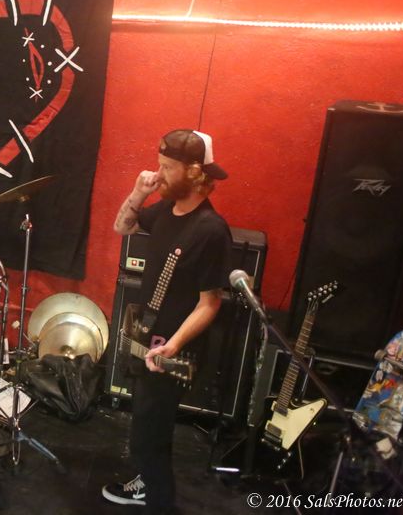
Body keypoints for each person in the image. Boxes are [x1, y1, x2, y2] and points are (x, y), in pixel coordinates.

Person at [103, 129, 232, 515]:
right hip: (148, 336)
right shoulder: (164, 210)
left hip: (172, 348)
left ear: (194, 173)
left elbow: (209, 304)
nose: (157, 173)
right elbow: (122, 227)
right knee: (144, 423)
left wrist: (173, 345)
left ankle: (158, 500)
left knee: (151, 433)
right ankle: (147, 482)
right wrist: (138, 192)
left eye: (167, 167)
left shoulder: (210, 230)